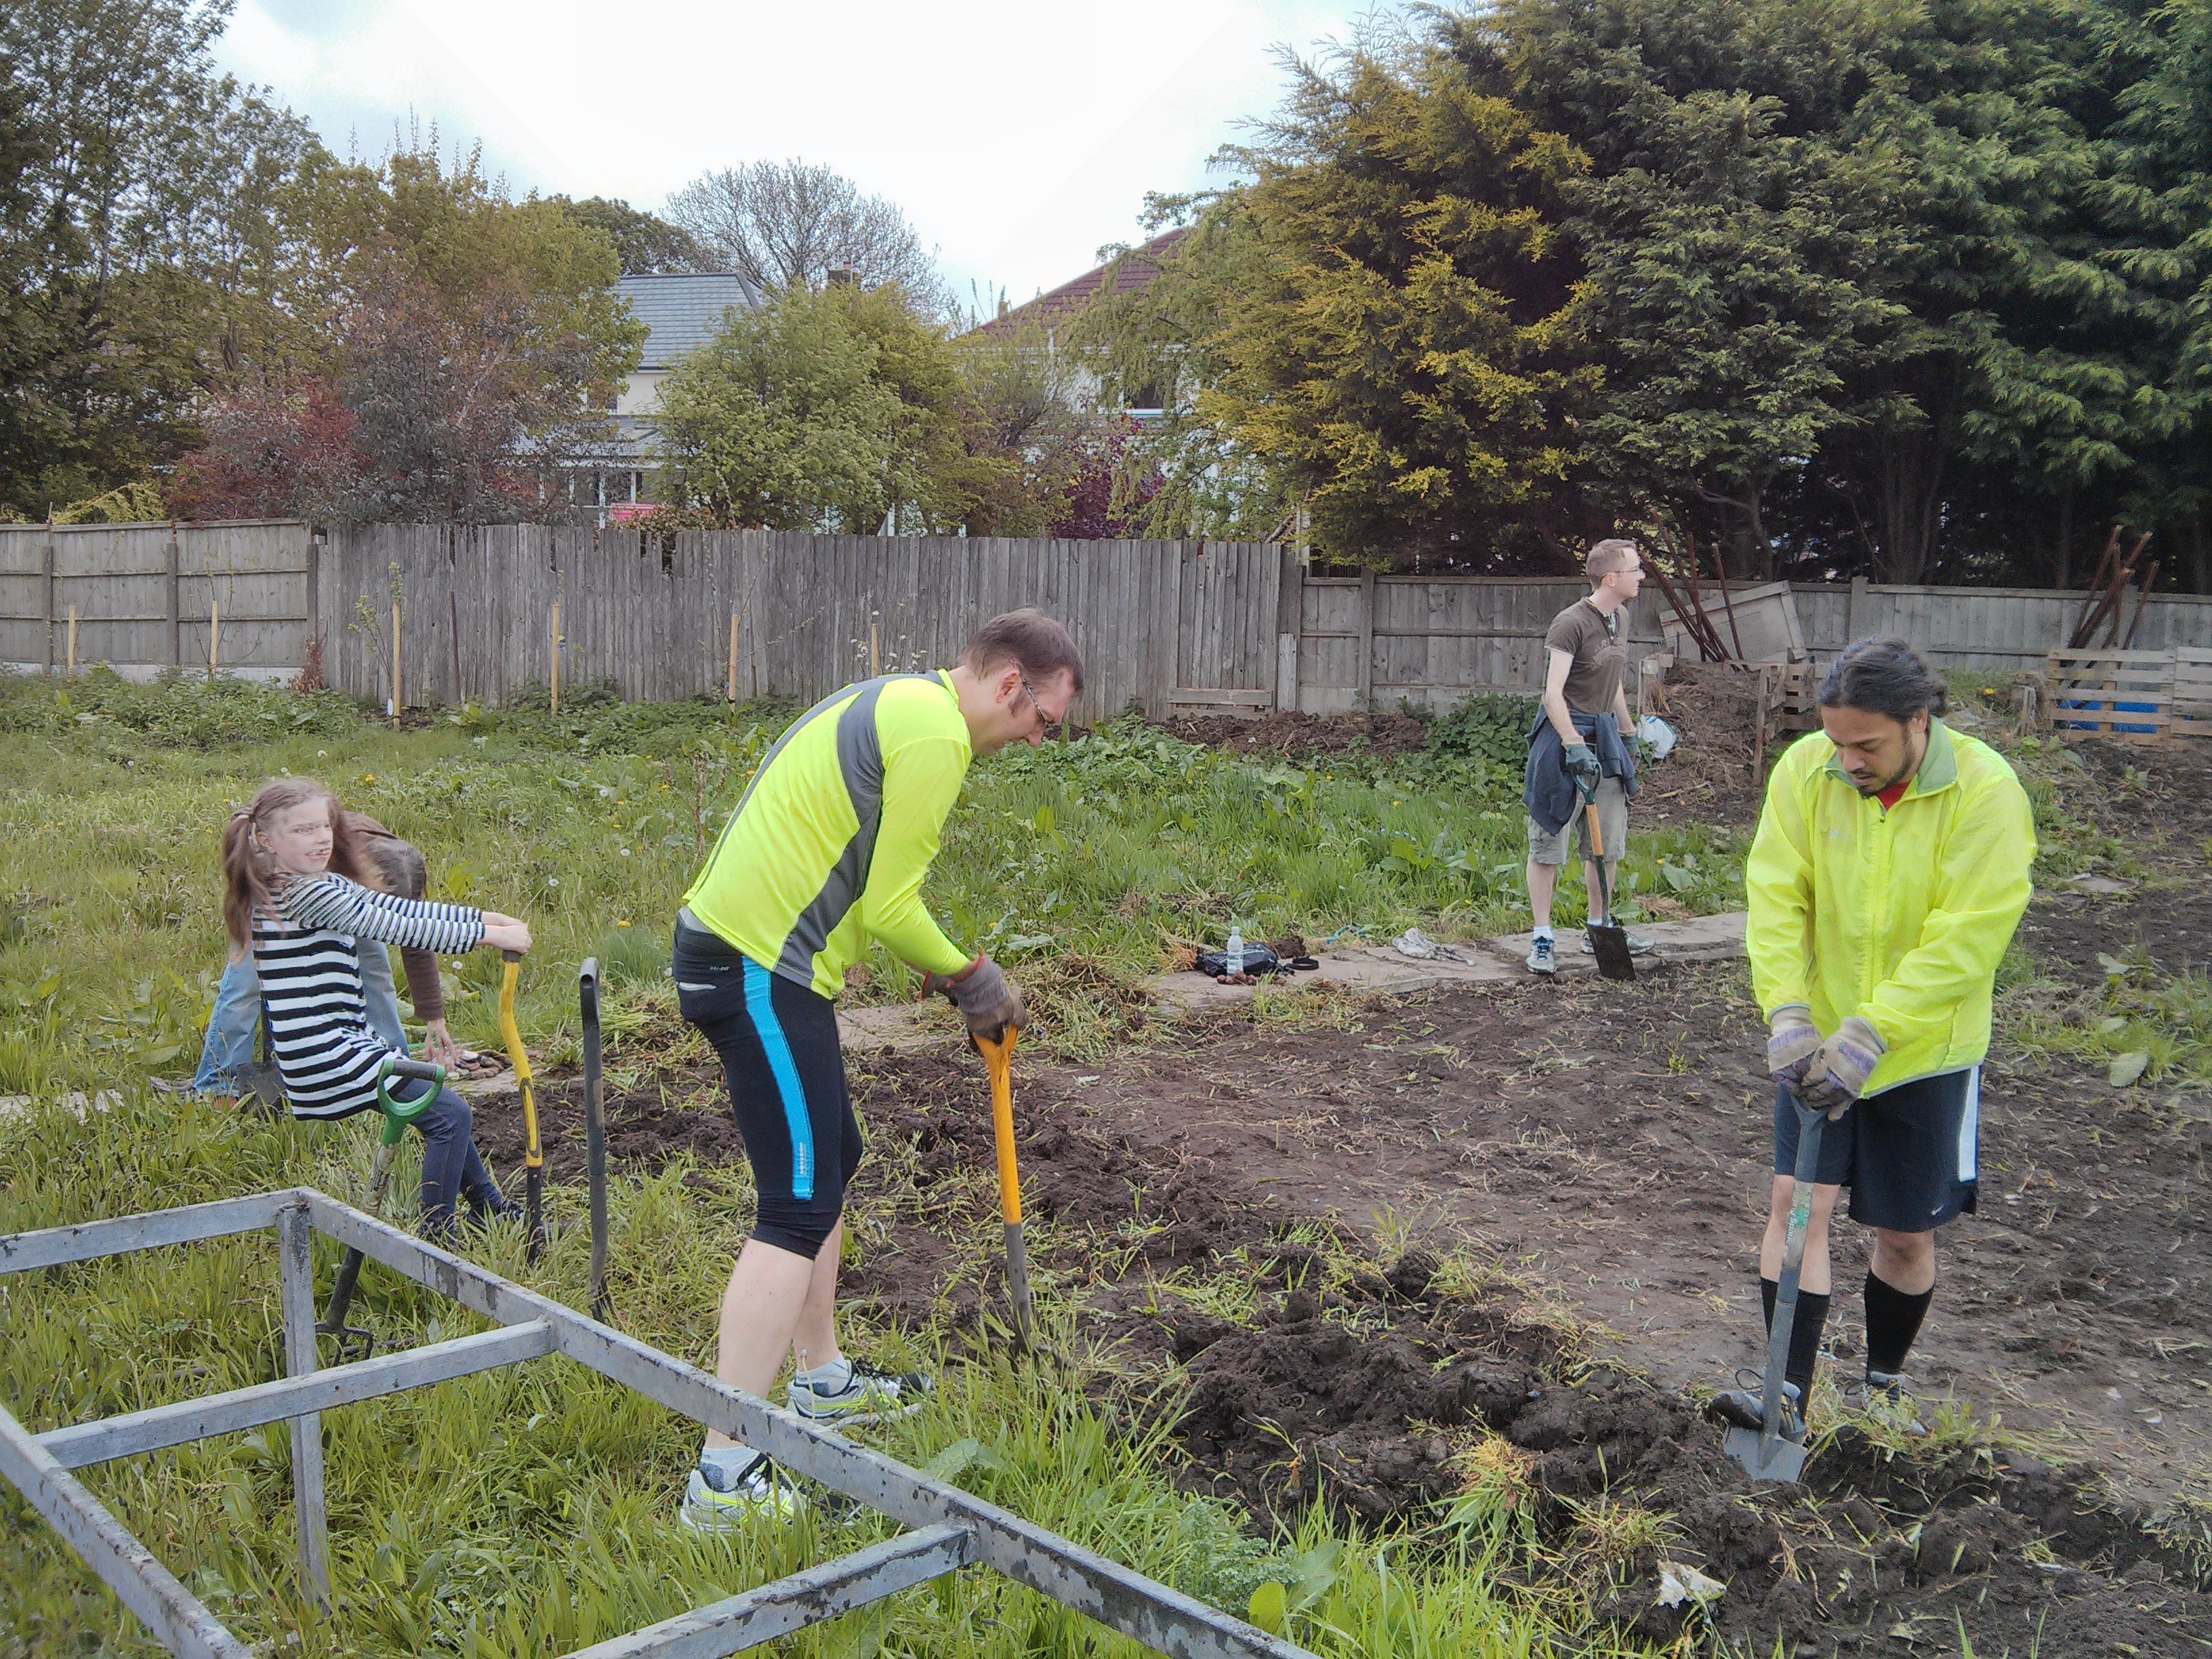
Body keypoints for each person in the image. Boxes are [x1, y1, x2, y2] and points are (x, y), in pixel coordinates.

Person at [672, 609, 1082, 1530]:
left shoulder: (897, 699)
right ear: (1012, 684)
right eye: (1042, 722)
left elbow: (847, 864)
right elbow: (896, 903)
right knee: (795, 1205)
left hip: (762, 961)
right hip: (753, 968)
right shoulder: (938, 737)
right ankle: (724, 1474)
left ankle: (820, 1382)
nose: (1034, 740)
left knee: (833, 1160)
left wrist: (856, 944)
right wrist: (973, 977)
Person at [1708, 638, 2034, 1439]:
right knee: (1795, 1205)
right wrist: (1788, 1014)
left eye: (1867, 744)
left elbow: (1968, 937)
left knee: (1904, 1232)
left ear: (1918, 722)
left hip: (1925, 1052)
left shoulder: (1985, 791)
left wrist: (1876, 1031)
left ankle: (1882, 1386)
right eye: (1836, 740)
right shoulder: (1806, 771)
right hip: (1818, 1047)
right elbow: (1776, 897)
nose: (1847, 759)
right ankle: (1785, 1394)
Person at [222, 777, 533, 1237]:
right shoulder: (304, 894)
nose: (321, 838)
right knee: (450, 1115)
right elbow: (393, 925)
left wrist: (485, 918)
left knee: (442, 1105)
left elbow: (395, 908)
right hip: (322, 1057)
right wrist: (489, 937)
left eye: (324, 826)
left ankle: (488, 1206)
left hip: (335, 1046)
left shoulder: (307, 883)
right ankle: (435, 1239)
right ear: (266, 840)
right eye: (302, 830)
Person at [184, 814, 465, 1100]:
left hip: (350, 897)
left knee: (376, 972)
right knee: (245, 986)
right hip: (271, 893)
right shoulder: (316, 851)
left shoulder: (399, 865)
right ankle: (219, 1084)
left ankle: (396, 1073)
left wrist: (435, 1019)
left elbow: (412, 933)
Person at [1522, 537, 1652, 975]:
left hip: (1606, 740)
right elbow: (1552, 695)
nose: (1642, 576)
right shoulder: (1570, 623)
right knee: (1548, 846)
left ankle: (1598, 926)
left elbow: (1611, 679)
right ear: (1611, 578)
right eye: (1636, 570)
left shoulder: (1621, 617)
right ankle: (1542, 938)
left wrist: (1628, 729)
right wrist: (1573, 745)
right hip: (1562, 742)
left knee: (1607, 844)